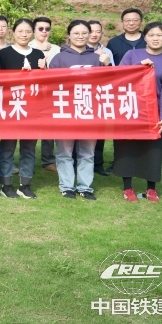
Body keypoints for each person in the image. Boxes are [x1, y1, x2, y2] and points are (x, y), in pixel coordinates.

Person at [113, 22, 162, 203]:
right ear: (145, 37)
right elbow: (118, 78)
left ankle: (151, 188)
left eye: (159, 35)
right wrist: (138, 67)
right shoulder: (132, 55)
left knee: (153, 150)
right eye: (151, 35)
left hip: (152, 112)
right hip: (129, 109)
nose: (155, 38)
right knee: (126, 148)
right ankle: (127, 187)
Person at [49, 20, 106, 200]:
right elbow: (50, 85)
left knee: (87, 152)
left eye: (84, 33)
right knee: (64, 152)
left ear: (89, 35)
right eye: (76, 33)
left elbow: (108, 83)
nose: (80, 36)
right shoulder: (59, 58)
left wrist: (107, 65)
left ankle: (85, 187)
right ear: (69, 35)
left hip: (90, 111)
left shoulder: (97, 58)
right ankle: (67, 186)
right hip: (65, 111)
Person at [0, 18, 47, 199]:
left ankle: (25, 184)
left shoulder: (39, 54)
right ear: (13, 32)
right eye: (20, 31)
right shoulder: (4, 53)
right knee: (7, 147)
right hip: (11, 107)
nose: (24, 35)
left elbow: (45, 83)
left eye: (27, 31)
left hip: (32, 109)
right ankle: (6, 184)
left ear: (32, 33)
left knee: (29, 148)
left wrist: (43, 70)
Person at [30, 16, 61, 173]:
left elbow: (60, 72)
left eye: (47, 29)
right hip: (31, 93)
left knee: (49, 127)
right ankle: (27, 160)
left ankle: (48, 160)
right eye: (40, 28)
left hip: (50, 92)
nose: (44, 32)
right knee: (30, 128)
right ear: (34, 30)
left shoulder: (56, 49)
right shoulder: (27, 46)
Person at [87, 20, 114, 176]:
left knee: (99, 132)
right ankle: (77, 163)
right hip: (81, 94)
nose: (94, 34)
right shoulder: (78, 50)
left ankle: (98, 164)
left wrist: (106, 62)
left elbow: (113, 74)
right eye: (91, 31)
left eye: (98, 31)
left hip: (100, 96)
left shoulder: (107, 51)